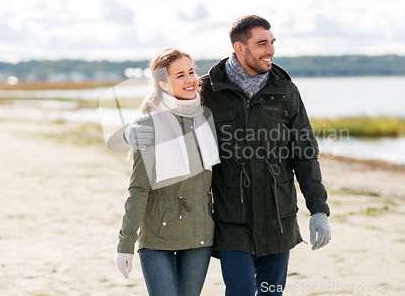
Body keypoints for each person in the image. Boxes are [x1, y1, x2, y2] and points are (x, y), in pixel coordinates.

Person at [125, 16, 331, 296]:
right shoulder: (208, 90)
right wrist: (133, 127)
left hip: (278, 218)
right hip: (231, 219)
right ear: (239, 47)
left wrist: (318, 209)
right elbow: (167, 109)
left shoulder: (285, 92)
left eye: (272, 42)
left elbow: (305, 154)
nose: (270, 50)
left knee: (271, 293)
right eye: (262, 44)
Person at [115, 48, 220, 296]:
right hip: (157, 237)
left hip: (200, 234)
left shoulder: (207, 118)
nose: (190, 80)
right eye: (180, 75)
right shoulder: (149, 126)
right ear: (162, 83)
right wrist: (125, 243)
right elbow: (138, 190)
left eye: (192, 72)